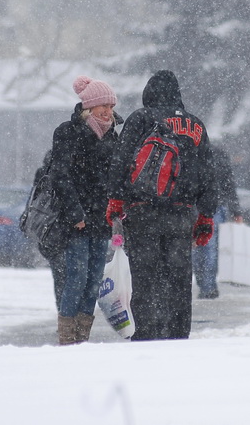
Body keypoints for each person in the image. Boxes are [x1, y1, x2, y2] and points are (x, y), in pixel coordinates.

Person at [105, 70, 216, 341]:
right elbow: (208, 173)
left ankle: (147, 334)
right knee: (179, 277)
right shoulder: (196, 125)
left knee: (145, 275)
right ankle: (178, 334)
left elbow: (120, 161)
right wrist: (206, 215)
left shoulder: (142, 119)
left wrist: (116, 200)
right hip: (181, 214)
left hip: (143, 211)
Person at [47, 75, 121, 345]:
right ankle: (67, 337)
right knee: (76, 278)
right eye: (103, 105)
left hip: (101, 218)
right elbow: (61, 176)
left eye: (111, 106)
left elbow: (115, 178)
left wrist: (116, 211)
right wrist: (75, 213)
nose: (108, 111)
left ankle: (82, 337)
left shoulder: (113, 136)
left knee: (94, 281)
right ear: (89, 107)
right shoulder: (67, 132)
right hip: (76, 219)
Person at [192, 145, 243, 299]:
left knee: (197, 247)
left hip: (193, 205)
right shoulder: (219, 155)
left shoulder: (189, 152)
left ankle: (204, 284)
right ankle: (208, 286)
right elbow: (229, 184)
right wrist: (236, 211)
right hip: (215, 206)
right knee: (210, 248)